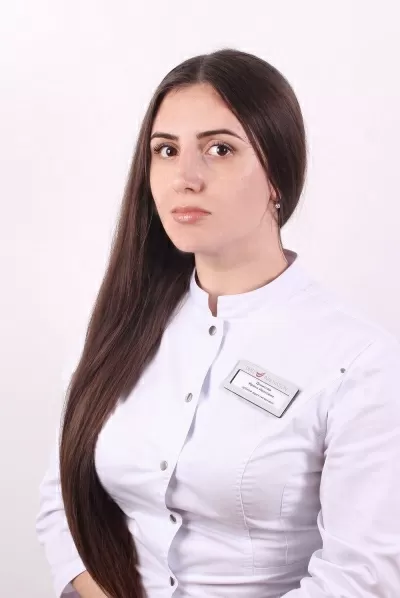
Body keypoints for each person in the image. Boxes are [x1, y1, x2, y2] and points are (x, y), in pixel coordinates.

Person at [36, 48, 400, 598]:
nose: (185, 178)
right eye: (166, 150)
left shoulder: (359, 362)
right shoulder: (120, 324)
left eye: (220, 149)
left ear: (278, 174)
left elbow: (360, 577)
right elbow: (63, 500)